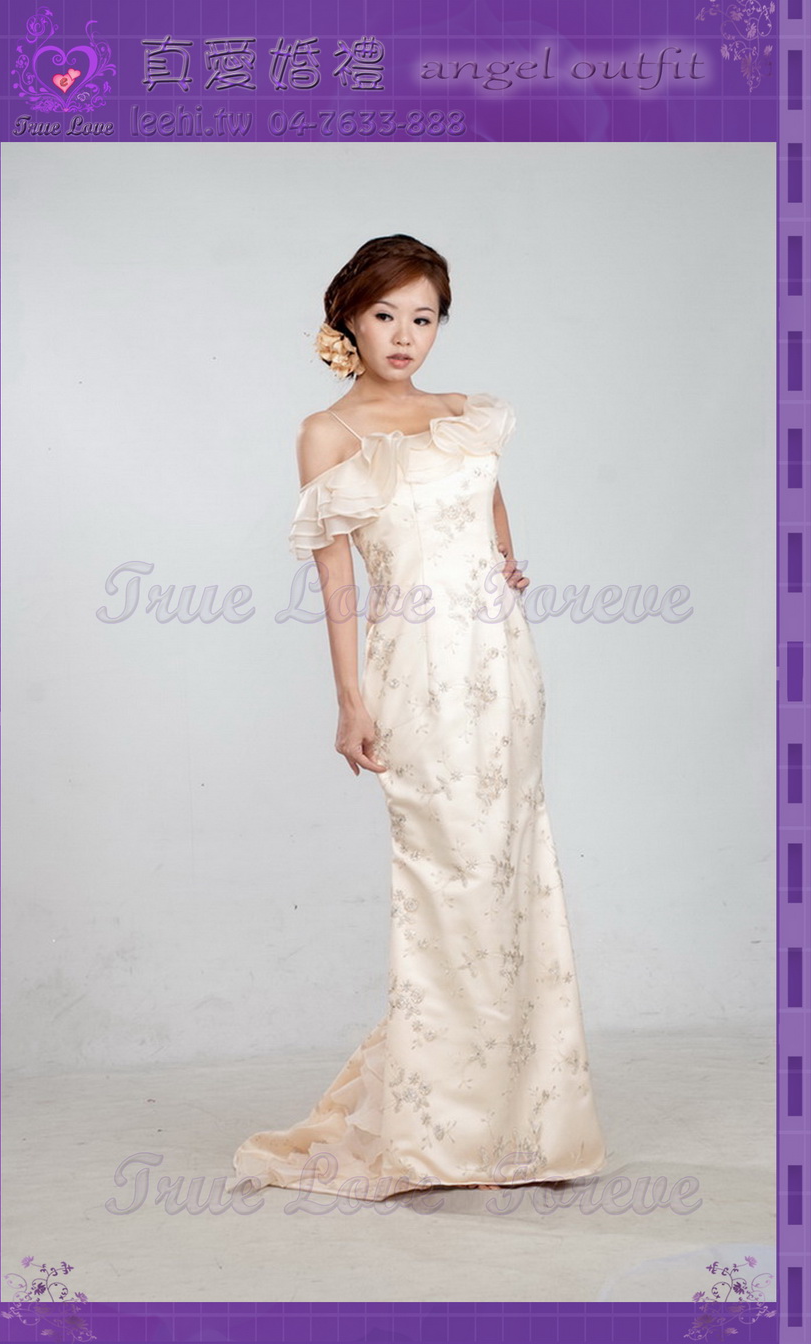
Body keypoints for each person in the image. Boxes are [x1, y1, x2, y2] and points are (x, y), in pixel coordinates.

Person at [229, 234, 607, 1202]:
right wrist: (350, 702)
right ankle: (442, 1132)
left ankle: (524, 1127)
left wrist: (501, 571)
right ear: (348, 322)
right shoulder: (327, 433)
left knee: (512, 870)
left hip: (501, 668)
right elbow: (337, 583)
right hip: (416, 671)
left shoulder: (463, 417)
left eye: (424, 317)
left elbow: (490, 514)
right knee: (446, 878)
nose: (405, 335)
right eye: (385, 314)